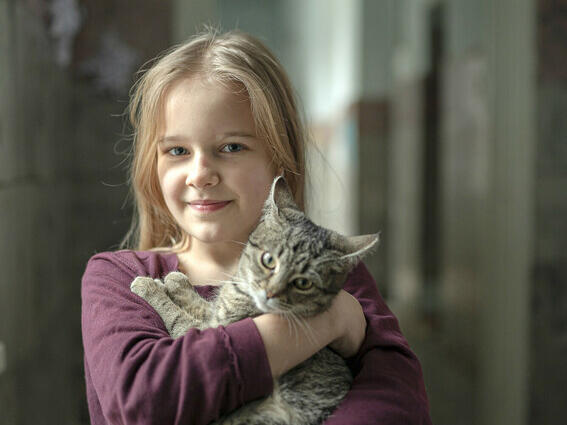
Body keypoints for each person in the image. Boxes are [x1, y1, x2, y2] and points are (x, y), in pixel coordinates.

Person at [81, 29, 432, 425]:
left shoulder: (338, 273)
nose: (200, 174)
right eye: (177, 151)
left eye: (231, 147)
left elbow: (398, 409)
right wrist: (326, 320)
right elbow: (144, 402)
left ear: (278, 161)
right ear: (153, 165)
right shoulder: (118, 278)